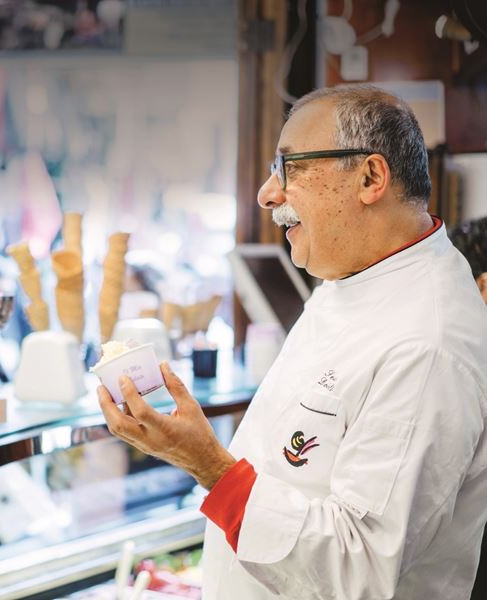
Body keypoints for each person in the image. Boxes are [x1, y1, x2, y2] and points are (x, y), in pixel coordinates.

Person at [98, 84, 487, 599]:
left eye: (289, 167)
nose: (267, 193)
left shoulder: (427, 341)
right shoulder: (351, 278)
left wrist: (208, 466)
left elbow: (361, 568)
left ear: (371, 177)